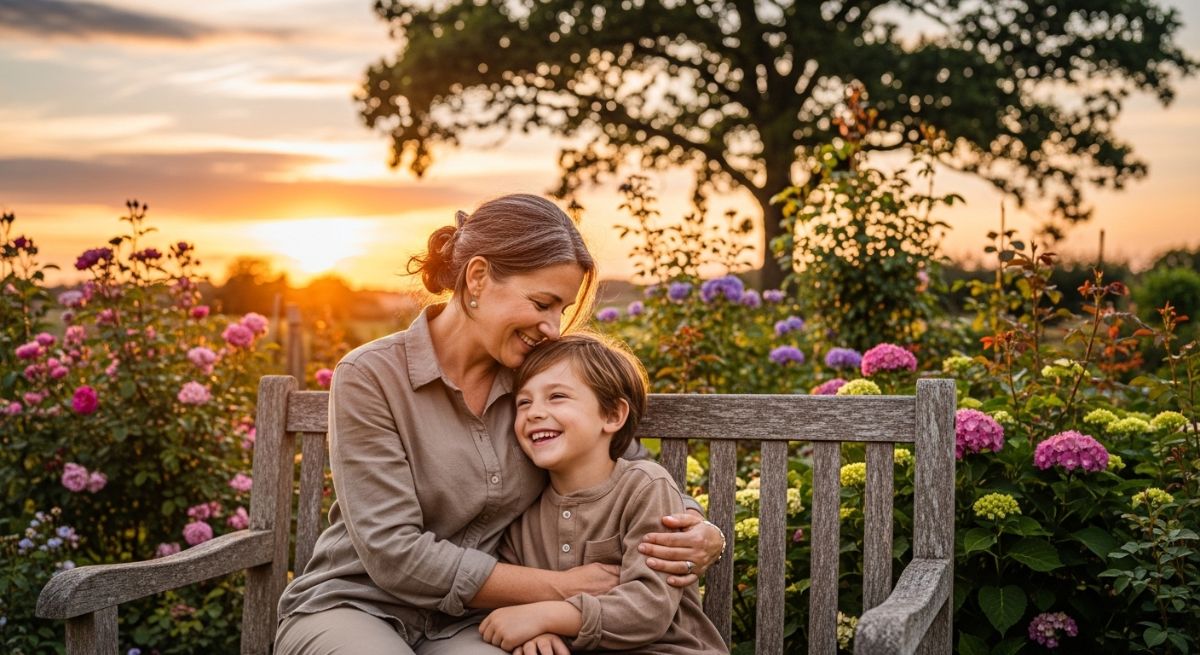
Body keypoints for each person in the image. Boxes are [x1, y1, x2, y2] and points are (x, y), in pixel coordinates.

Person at [274, 194, 725, 654]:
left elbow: (617, 457)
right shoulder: (372, 375)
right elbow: (393, 552)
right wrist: (559, 589)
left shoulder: (539, 380)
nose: (553, 327)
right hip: (357, 604)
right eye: (542, 303)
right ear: (478, 277)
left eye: (562, 311)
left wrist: (693, 528)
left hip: (474, 622)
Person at [480, 332, 728, 655]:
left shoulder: (645, 487)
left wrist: (548, 615)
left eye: (556, 397)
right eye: (523, 402)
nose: (534, 412)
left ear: (612, 416)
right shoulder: (523, 509)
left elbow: (649, 608)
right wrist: (533, 633)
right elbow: (515, 605)